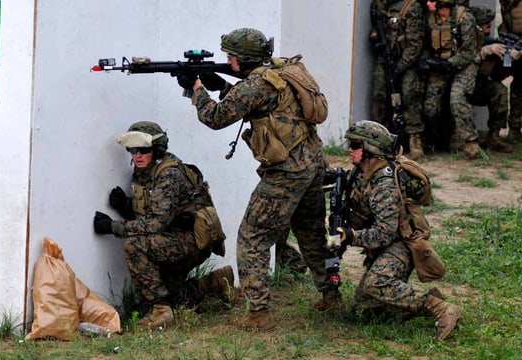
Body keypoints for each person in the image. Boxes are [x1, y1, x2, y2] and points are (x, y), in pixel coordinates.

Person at [175, 27, 340, 330]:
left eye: (230, 56)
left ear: (240, 58)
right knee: (310, 231)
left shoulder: (254, 85)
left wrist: (197, 88)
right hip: (312, 162)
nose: (227, 59)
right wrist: (221, 84)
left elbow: (216, 117)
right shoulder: (277, 71)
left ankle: (258, 313)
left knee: (252, 237)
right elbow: (259, 104)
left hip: (287, 172)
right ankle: (331, 295)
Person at [327, 120, 462, 342]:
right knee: (364, 311)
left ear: (371, 149)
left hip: (402, 245)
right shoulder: (362, 172)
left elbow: (384, 234)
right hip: (385, 246)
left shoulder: (384, 184)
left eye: (355, 145)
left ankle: (439, 307)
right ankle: (413, 303)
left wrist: (350, 236)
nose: (349, 150)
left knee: (376, 283)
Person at [92, 121, 234, 330]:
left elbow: (156, 223)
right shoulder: (145, 171)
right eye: (132, 150)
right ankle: (214, 282)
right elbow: (154, 214)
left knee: (135, 245)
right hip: (172, 240)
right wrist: (126, 207)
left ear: (156, 150)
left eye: (143, 150)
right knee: (173, 297)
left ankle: (159, 311)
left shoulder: (168, 173)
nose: (137, 155)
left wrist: (113, 226)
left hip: (191, 242)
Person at [421, 0, 482, 158]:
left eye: (433, 1)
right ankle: (436, 139)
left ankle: (470, 142)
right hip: (441, 64)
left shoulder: (465, 17)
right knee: (430, 106)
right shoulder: (430, 18)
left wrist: (446, 63)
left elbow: (468, 52)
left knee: (457, 98)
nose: (428, 3)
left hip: (464, 65)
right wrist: (427, 60)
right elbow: (427, 44)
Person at [370, 0, 427, 159]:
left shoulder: (411, 6)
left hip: (407, 60)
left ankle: (414, 138)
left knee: (409, 94)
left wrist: (399, 67)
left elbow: (415, 45)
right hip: (385, 58)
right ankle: (377, 138)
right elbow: (374, 28)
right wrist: (376, 39)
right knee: (379, 94)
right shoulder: (379, 4)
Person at [469, 4, 514, 153]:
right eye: (484, 23)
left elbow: (498, 76)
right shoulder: (466, 39)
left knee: (499, 90)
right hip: (462, 87)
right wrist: (483, 51)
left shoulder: (490, 41)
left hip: (480, 86)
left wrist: (509, 59)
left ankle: (494, 138)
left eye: (489, 23)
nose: (488, 25)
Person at [498, 0, 522, 142]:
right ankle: (514, 128)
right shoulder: (505, 2)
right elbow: (506, 25)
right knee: (518, 86)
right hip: (514, 47)